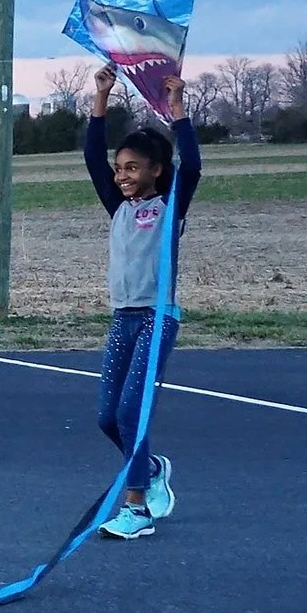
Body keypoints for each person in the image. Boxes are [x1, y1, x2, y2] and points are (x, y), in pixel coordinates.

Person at [84, 64, 201, 540]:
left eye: (133, 167)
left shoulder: (170, 203)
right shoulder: (120, 205)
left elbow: (190, 165)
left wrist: (177, 113)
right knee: (107, 418)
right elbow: (93, 159)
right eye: (120, 168)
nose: (122, 175)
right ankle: (150, 469)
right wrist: (101, 99)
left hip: (158, 318)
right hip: (123, 318)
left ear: (156, 169)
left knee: (133, 412)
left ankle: (137, 509)